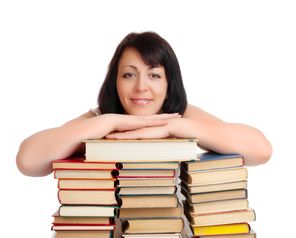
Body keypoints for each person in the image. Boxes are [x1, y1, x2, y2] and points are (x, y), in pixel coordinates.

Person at [16, 32, 272, 177]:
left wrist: (173, 128)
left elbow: (260, 151)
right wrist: (110, 121)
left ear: (169, 81)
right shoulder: (99, 118)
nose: (141, 87)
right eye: (129, 74)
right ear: (114, 80)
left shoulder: (181, 115)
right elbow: (28, 161)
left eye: (154, 75)